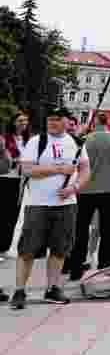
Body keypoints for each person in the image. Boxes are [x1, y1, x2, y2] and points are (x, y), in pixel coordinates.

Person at [10, 107, 91, 309]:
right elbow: (26, 169)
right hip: (38, 204)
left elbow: (85, 169)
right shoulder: (37, 141)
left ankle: (52, 288)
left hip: (66, 205)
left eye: (57, 119)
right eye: (49, 119)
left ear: (67, 121)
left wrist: (75, 187)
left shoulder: (76, 142)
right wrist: (58, 169)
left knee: (60, 249)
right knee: (27, 249)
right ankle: (19, 290)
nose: (52, 123)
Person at [67, 113, 110, 280]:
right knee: (107, 230)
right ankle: (105, 263)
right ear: (108, 122)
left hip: (85, 190)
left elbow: (73, 164)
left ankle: (76, 267)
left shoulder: (84, 140)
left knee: (81, 230)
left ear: (94, 122)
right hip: (108, 190)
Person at [0, 112, 31, 264]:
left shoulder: (28, 140)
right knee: (2, 214)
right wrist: (15, 160)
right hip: (4, 179)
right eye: (20, 120)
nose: (23, 123)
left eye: (25, 121)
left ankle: (5, 248)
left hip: (20, 180)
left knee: (13, 216)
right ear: (13, 122)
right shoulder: (4, 139)